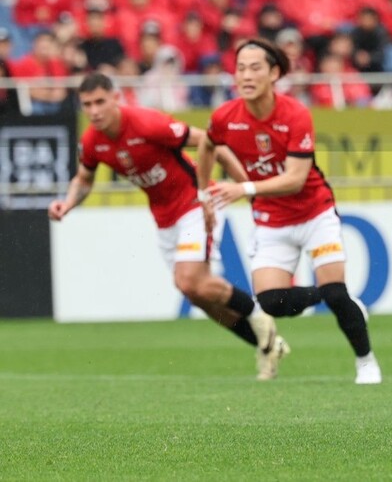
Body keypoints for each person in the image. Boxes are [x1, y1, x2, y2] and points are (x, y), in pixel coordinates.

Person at [47, 73, 288, 380]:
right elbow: (84, 179)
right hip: (164, 219)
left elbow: (212, 142)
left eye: (99, 102)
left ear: (116, 99)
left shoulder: (147, 123)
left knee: (189, 281)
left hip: (195, 205)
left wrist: (247, 187)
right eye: (87, 105)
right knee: (198, 295)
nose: (94, 111)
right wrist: (67, 203)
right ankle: (268, 345)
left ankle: (258, 314)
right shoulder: (93, 141)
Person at [195, 38, 381, 385]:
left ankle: (366, 363)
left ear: (274, 73)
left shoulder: (295, 114)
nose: (245, 75)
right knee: (271, 302)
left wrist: (244, 188)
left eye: (255, 68)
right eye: (240, 68)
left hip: (314, 213)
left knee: (336, 292)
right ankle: (335, 297)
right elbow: (206, 146)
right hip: (272, 220)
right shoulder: (225, 116)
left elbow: (295, 180)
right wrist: (203, 193)